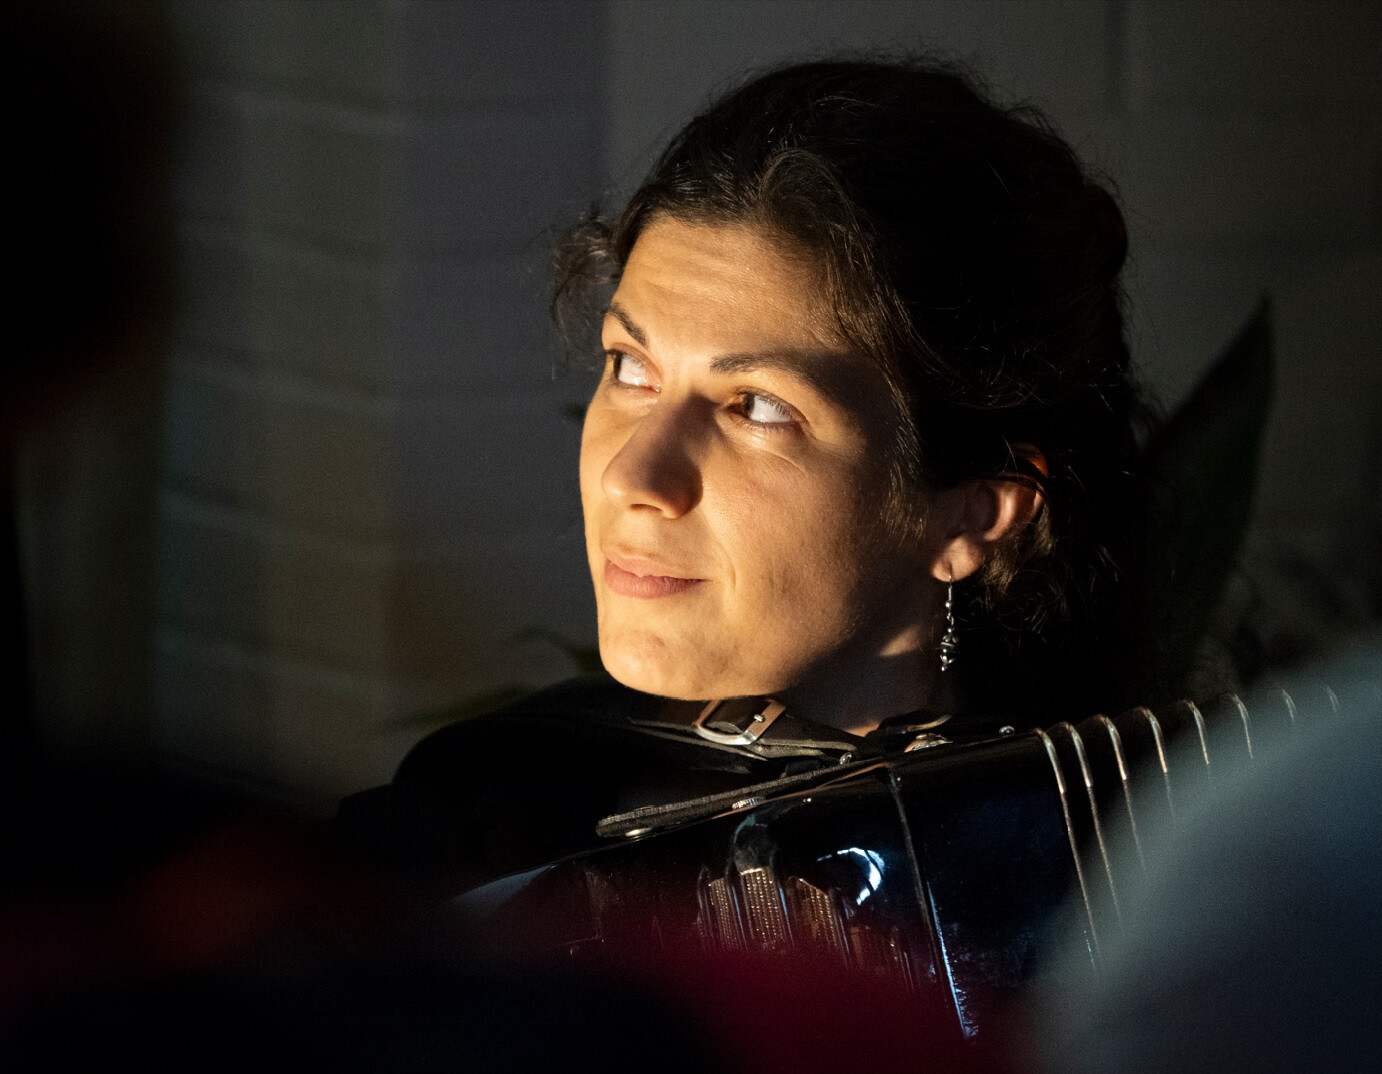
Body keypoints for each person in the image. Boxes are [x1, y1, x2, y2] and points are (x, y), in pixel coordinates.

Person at [339, 56, 1142, 892]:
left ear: (974, 513)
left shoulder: (1095, 882)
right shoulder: (483, 804)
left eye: (756, 407)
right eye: (631, 367)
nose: (633, 476)